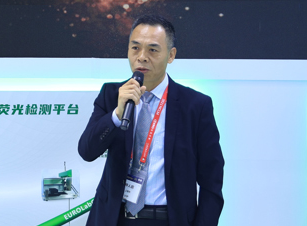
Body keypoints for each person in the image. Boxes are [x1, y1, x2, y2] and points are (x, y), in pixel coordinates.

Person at [78, 15, 224, 225]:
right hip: (114, 219)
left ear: (171, 55)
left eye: (153, 50)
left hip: (168, 219)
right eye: (135, 48)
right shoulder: (112, 95)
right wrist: (117, 115)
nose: (142, 57)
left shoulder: (195, 105)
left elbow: (212, 180)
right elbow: (87, 151)